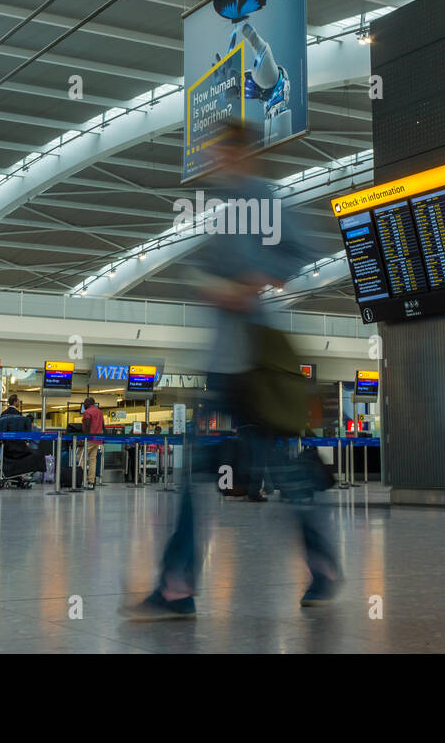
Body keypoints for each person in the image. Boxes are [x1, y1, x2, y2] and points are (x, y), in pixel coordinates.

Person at [123, 122, 340, 620]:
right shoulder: (227, 212)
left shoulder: (266, 199)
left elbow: (303, 250)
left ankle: (322, 566)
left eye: (220, 150)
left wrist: (251, 283)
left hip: (253, 368)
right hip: (225, 367)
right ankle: (177, 588)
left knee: (275, 473)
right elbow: (209, 273)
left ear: (239, 152)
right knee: (196, 475)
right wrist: (208, 281)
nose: (213, 159)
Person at [81, 396, 104, 489]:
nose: (84, 404)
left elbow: (87, 424)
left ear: (88, 403)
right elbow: (103, 426)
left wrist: (84, 438)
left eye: (84, 403)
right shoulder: (100, 412)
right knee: (92, 460)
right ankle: (91, 481)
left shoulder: (87, 412)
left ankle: (82, 479)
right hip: (97, 440)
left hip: (89, 439)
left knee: (81, 457)